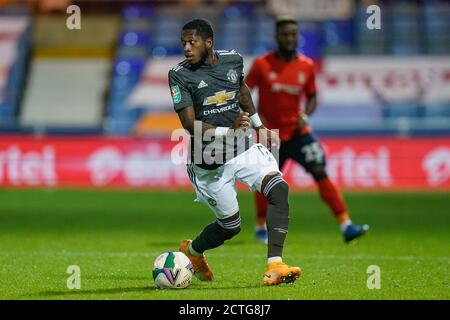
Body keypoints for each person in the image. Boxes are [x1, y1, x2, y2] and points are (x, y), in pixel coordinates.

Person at [168, 18, 301, 285]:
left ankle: (275, 264)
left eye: (192, 42)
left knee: (279, 189)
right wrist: (227, 131)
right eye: (183, 43)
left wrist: (259, 125)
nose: (186, 48)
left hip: (242, 148)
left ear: (208, 42)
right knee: (231, 226)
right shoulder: (179, 75)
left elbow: (242, 91)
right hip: (208, 162)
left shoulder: (233, 60)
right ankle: (193, 251)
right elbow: (188, 124)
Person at [245, 16, 369, 245]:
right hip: (270, 136)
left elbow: (312, 97)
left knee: (320, 171)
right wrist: (254, 120)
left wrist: (306, 114)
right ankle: (261, 226)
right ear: (276, 37)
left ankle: (346, 225)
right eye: (285, 34)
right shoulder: (262, 64)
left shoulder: (306, 65)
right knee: (264, 181)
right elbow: (245, 92)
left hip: (298, 132)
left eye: (293, 34)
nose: (289, 38)